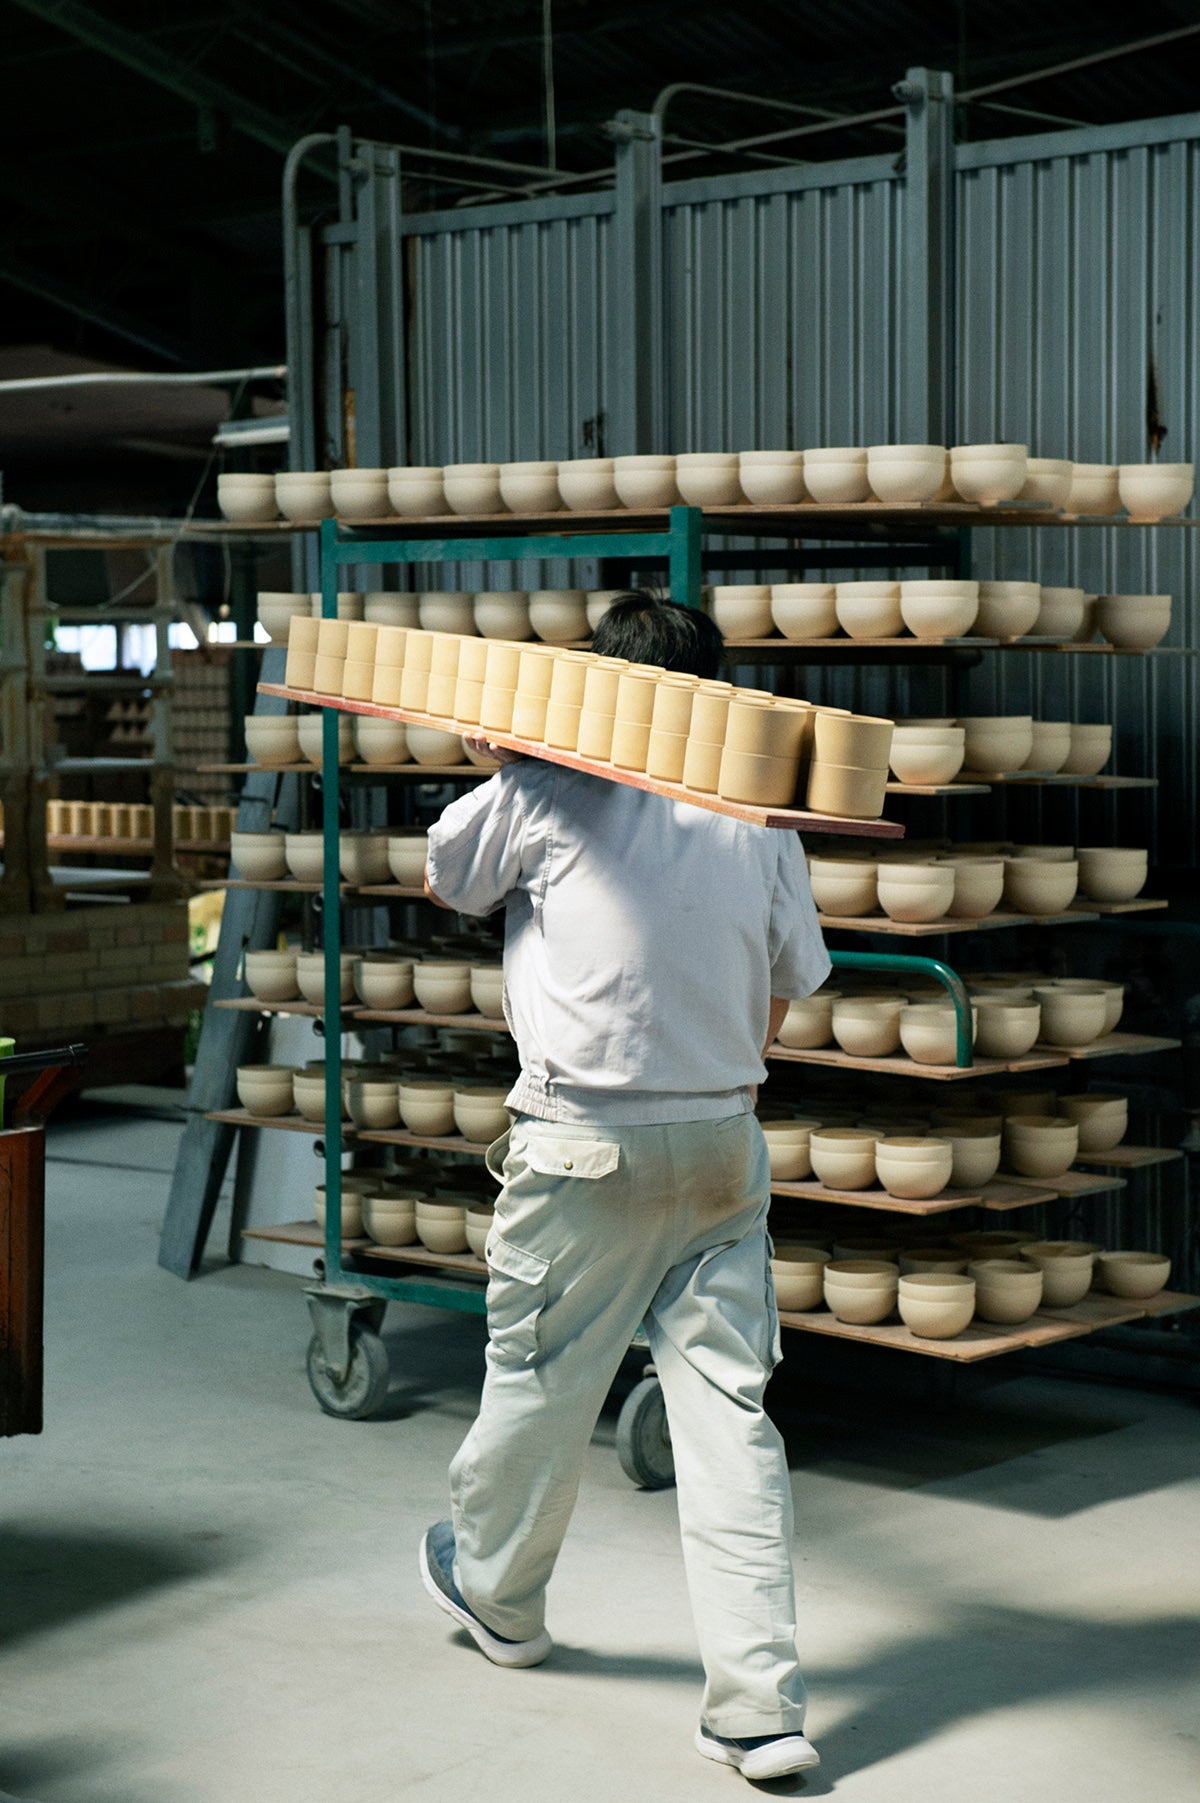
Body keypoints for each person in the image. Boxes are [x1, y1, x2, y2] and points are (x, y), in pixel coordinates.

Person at [417, 593, 830, 1783]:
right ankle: (760, 1711)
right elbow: (789, 982)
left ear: (602, 686)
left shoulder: (549, 790)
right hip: (719, 1145)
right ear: (713, 691)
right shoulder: (757, 817)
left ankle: (499, 1599)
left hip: (583, 1144)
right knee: (731, 1421)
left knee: (541, 1383)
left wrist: (501, 760)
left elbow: (449, 876)